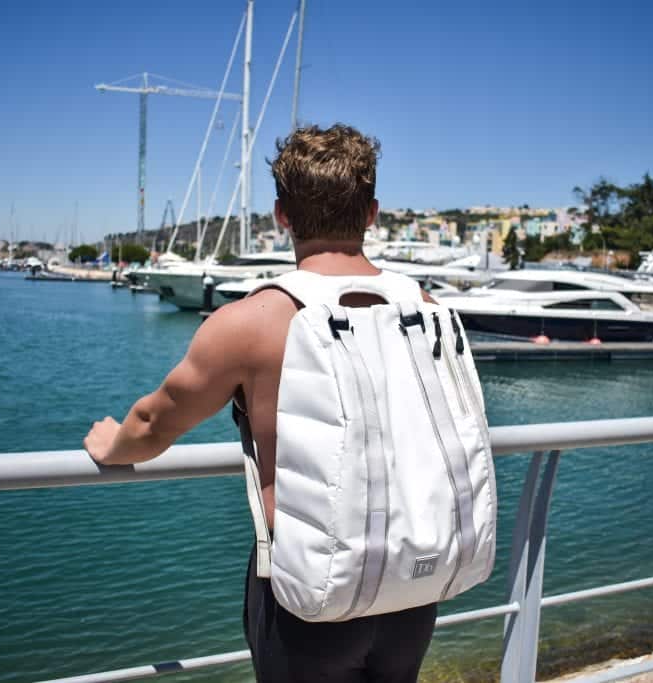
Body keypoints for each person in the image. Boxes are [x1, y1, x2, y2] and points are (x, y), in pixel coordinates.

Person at [84, 123, 438, 682]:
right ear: (371, 213)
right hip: (409, 581)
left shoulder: (253, 321)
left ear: (281, 216)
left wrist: (112, 443)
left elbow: (154, 422)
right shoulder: (420, 305)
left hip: (308, 592)